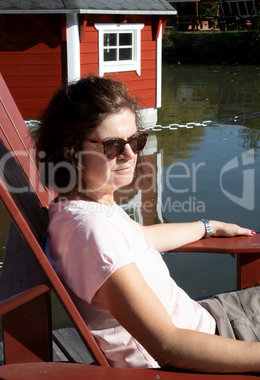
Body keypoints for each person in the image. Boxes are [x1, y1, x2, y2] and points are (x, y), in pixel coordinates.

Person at [35, 76, 260, 373]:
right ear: (71, 150)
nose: (130, 154)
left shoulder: (85, 206)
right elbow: (168, 347)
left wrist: (208, 226)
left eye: (135, 140)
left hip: (209, 320)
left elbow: (140, 237)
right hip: (211, 347)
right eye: (113, 146)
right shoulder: (91, 232)